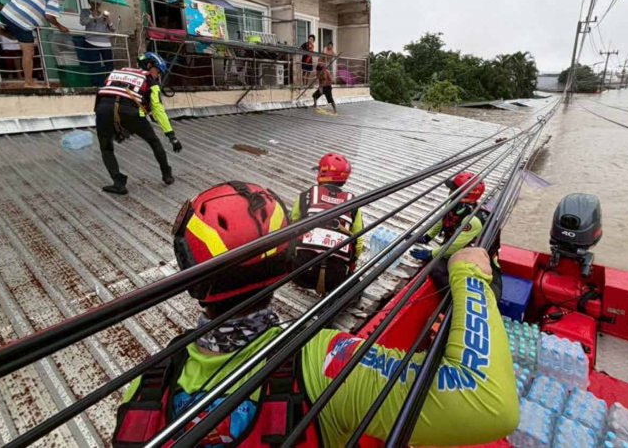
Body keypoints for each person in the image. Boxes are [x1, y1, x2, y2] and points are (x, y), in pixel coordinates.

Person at [112, 181, 518, 447]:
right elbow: (487, 401)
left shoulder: (148, 384)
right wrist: (470, 274)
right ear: (288, 264)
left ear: (190, 280)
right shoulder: (323, 362)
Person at [94, 52, 183, 195]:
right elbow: (158, 110)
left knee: (106, 148)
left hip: (103, 109)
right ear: (149, 65)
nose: (158, 75)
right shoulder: (150, 80)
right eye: (158, 71)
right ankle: (167, 175)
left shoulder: (118, 72)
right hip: (130, 112)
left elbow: (103, 92)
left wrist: (109, 124)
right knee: (154, 141)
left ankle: (118, 183)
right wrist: (171, 135)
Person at [409, 172, 503, 299]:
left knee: (434, 268)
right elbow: (443, 220)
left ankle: (453, 299)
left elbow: (455, 247)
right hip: (459, 249)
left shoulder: (473, 220)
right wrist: (427, 237)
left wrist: (430, 254)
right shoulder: (454, 204)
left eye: (453, 189)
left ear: (464, 195)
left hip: (476, 261)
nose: (450, 192)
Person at [290, 153, 364, 295]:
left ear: (323, 173)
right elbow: (359, 242)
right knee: (355, 284)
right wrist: (352, 263)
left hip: (299, 274)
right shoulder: (353, 203)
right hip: (334, 280)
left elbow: (291, 226)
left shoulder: (306, 196)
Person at [79, 0, 116, 87]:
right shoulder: (85, 11)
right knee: (95, 65)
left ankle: (110, 83)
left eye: (98, 3)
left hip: (105, 43)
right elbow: (83, 22)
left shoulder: (103, 14)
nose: (96, 5)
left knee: (109, 65)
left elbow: (113, 29)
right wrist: (93, 17)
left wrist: (108, 20)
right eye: (93, 3)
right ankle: (97, 84)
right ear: (89, 2)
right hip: (91, 42)